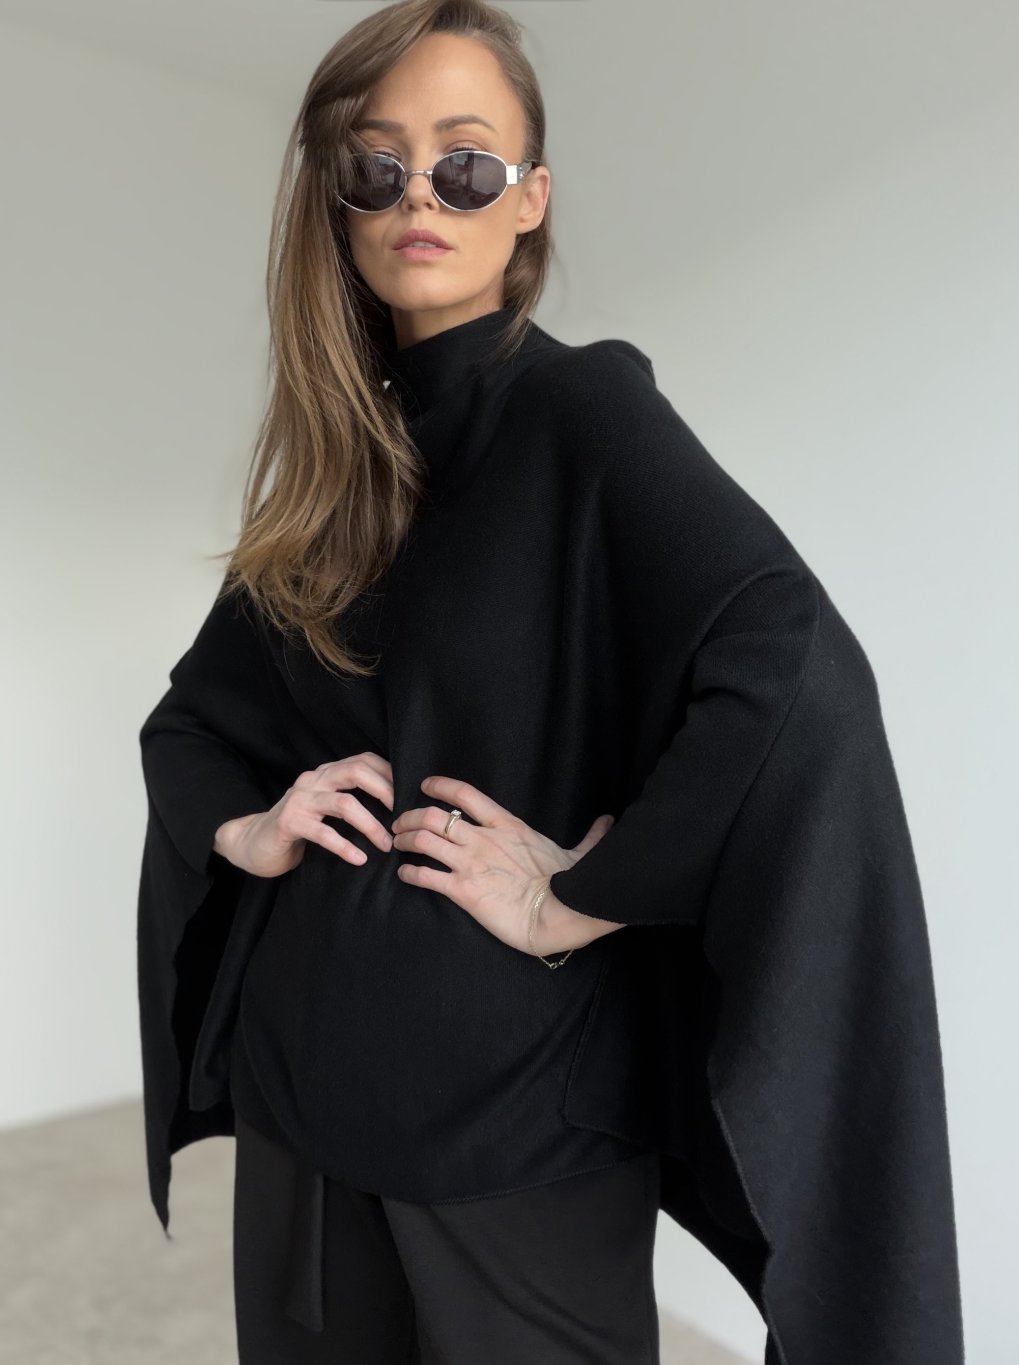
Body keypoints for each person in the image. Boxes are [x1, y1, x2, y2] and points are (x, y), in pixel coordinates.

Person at [136, 2, 964, 1363]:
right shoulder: (340, 469)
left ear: (530, 201)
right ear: (338, 203)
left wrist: (576, 896)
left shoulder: (585, 412)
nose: (420, 193)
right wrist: (250, 827)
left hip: (513, 1125)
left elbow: (792, 667)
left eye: (465, 163)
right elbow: (189, 722)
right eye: (377, 164)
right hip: (303, 1103)